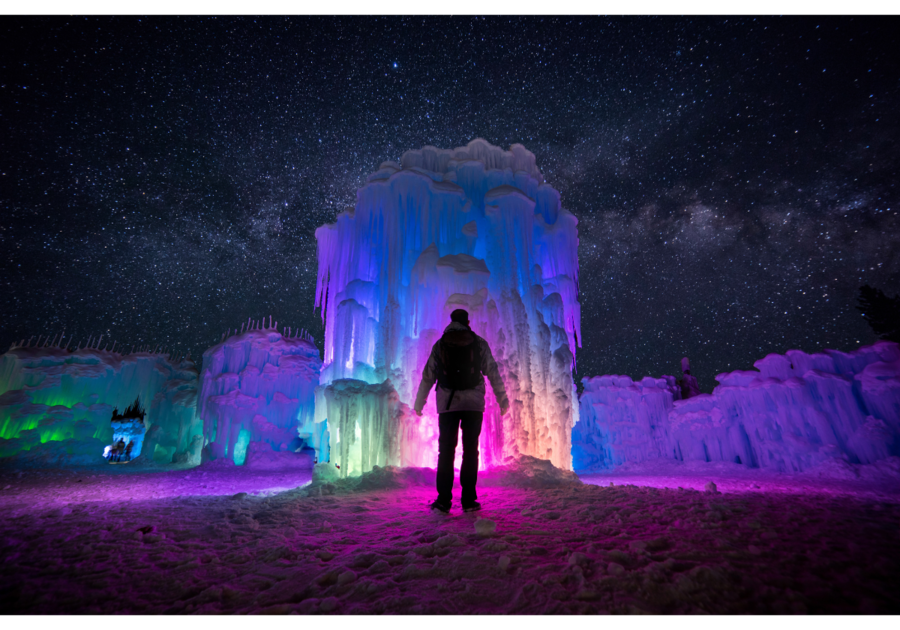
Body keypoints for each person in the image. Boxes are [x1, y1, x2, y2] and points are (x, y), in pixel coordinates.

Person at [414, 309, 509, 513]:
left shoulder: (440, 345)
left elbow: (428, 375)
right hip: (473, 404)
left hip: (448, 404)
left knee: (446, 451)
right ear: (467, 322)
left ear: (451, 322)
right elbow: (492, 371)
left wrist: (419, 401)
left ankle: (443, 500)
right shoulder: (479, 343)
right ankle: (468, 500)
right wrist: (502, 398)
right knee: (470, 451)